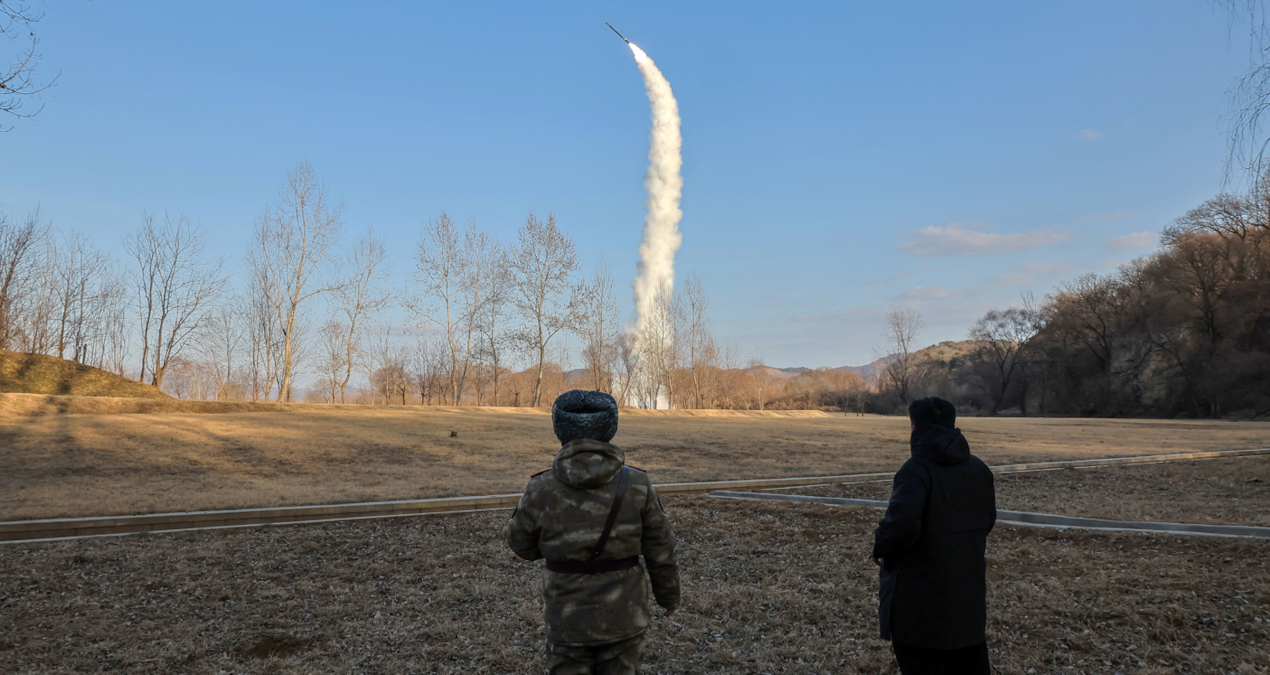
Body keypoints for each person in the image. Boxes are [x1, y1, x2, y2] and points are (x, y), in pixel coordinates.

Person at [507, 389, 680, 675]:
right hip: (625, 615)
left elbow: (520, 545)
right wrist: (669, 597)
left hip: (565, 619)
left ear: (559, 428)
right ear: (610, 428)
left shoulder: (540, 487)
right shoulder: (637, 483)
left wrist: (561, 548)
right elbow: (660, 548)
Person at [872, 396, 997, 675]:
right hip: (968, 598)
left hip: (918, 606)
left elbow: (900, 527)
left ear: (915, 428)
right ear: (952, 425)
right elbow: (988, 520)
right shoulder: (979, 469)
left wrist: (880, 546)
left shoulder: (915, 471)